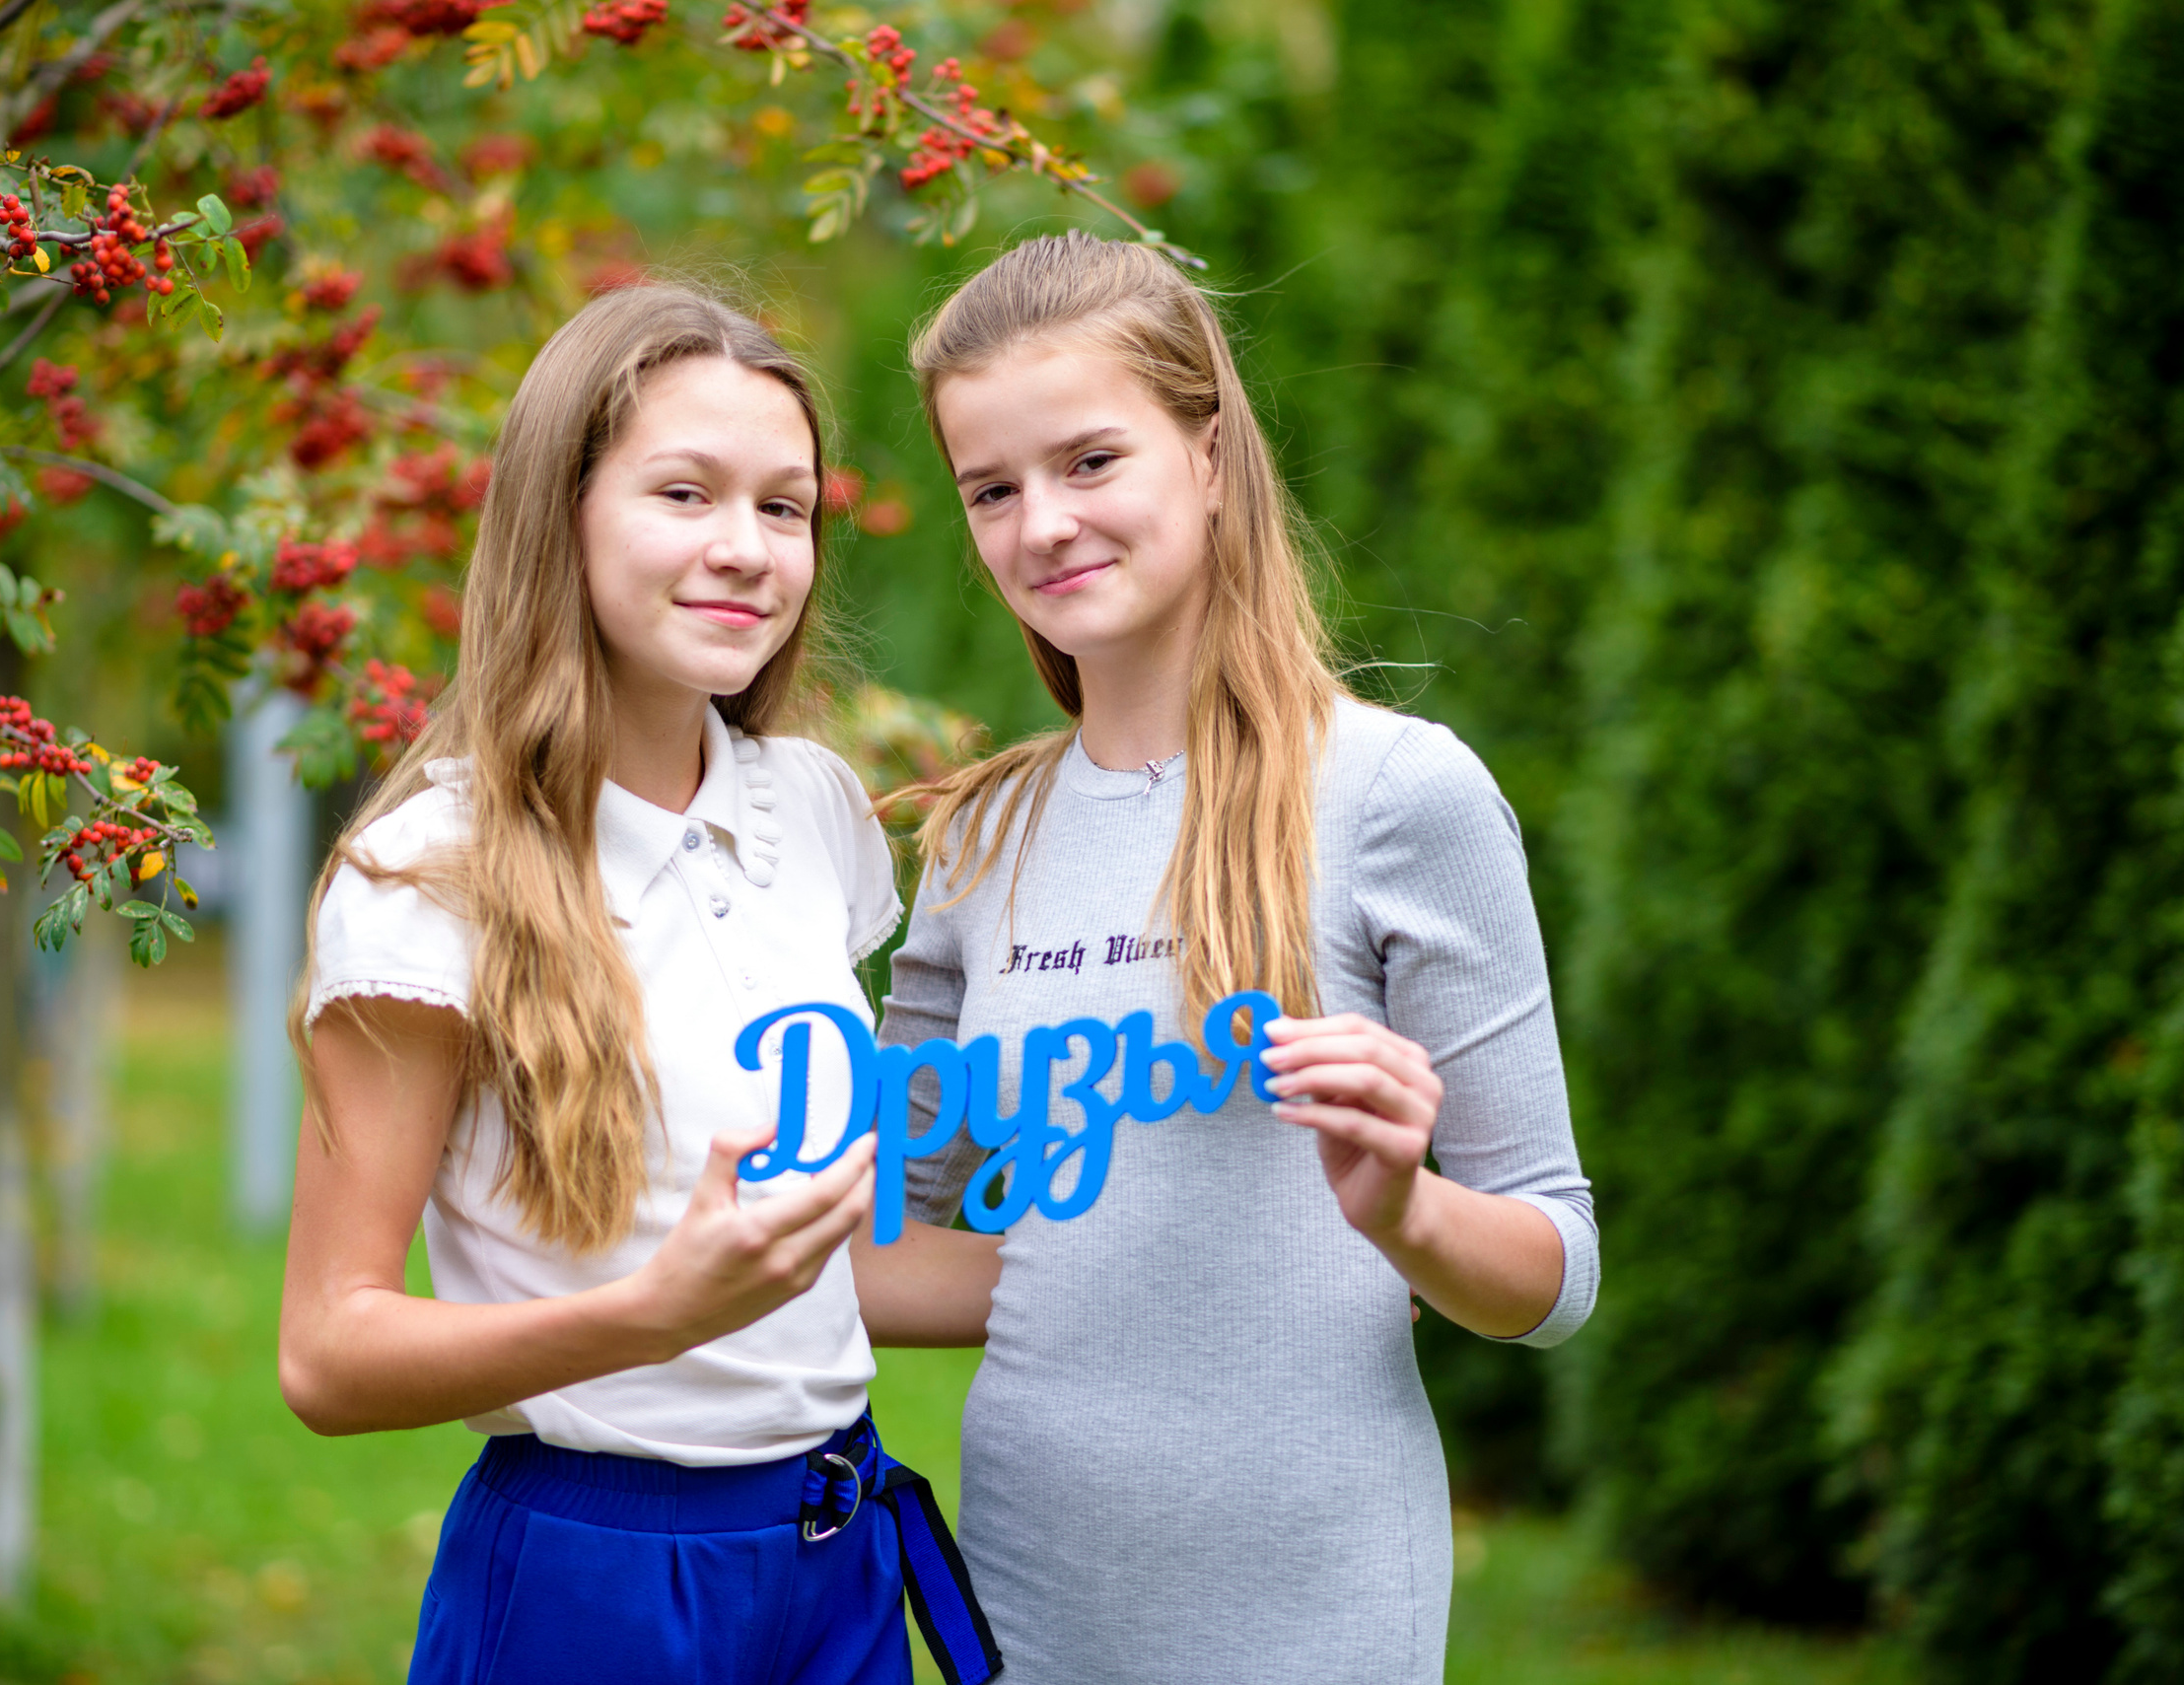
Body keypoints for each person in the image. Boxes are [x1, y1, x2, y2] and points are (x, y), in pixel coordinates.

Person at [856, 232, 1600, 1685]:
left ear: (1208, 455)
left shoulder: (1398, 793)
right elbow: (890, 1245)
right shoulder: (979, 841)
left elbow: (1554, 1273)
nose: (1042, 524)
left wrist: (1403, 1212)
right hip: (1027, 1598)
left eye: (1091, 461)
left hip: (1317, 1608)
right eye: (991, 489)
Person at [277, 283, 992, 1685]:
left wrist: (1176, 1277)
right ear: (565, 515)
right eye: (685, 493)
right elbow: (326, 1353)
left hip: (837, 1552)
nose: (746, 548)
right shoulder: (429, 873)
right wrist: (648, 1316)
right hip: (592, 1579)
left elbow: (817, 1265)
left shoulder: (815, 811)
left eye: (785, 508)